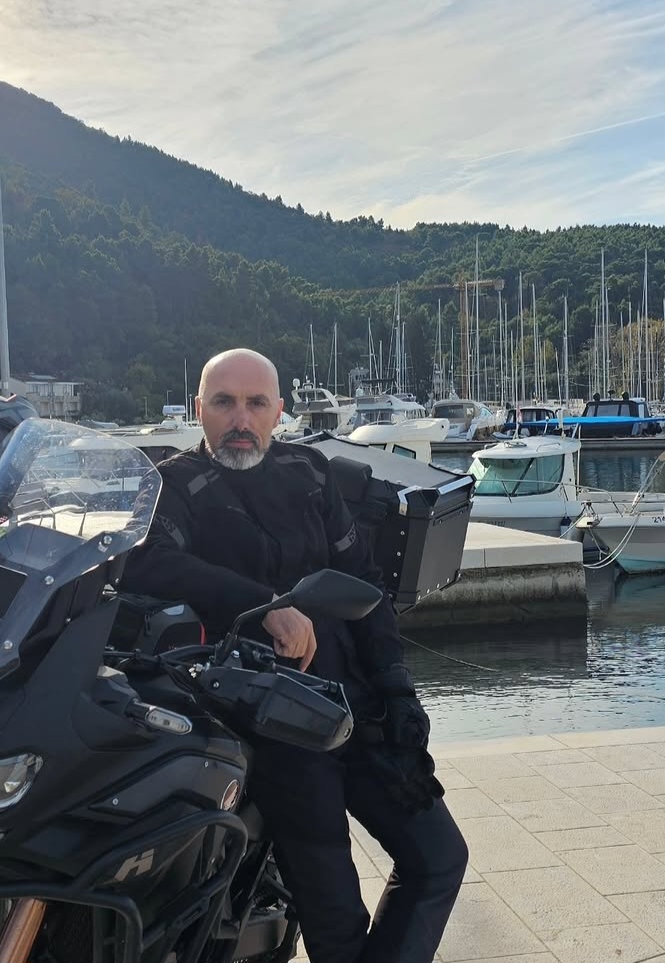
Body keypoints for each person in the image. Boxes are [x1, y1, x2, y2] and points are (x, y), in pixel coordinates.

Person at [122, 348, 467, 963]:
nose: (240, 419)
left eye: (256, 403)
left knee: (440, 858)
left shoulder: (309, 471)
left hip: (355, 704)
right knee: (336, 921)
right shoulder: (175, 484)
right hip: (272, 725)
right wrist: (264, 605)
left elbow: (363, 584)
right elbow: (151, 561)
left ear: (279, 410)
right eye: (224, 402)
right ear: (199, 409)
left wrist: (396, 688)